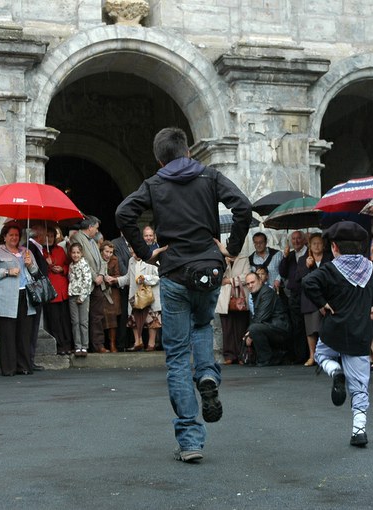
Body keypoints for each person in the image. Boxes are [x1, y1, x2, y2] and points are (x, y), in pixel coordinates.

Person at [116, 126, 252, 463]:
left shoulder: (155, 183)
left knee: (177, 355)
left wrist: (147, 252)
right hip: (209, 267)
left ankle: (190, 440)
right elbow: (243, 207)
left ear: (160, 160)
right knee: (203, 325)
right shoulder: (209, 175)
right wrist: (232, 248)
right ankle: (206, 374)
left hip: (175, 269)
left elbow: (123, 213)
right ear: (188, 151)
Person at [302, 221, 373, 447]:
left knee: (321, 356)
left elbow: (308, 282)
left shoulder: (329, 269)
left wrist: (323, 303)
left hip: (333, 330)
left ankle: (336, 371)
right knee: (360, 385)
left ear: (334, 247)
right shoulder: (372, 270)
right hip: (360, 333)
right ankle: (359, 431)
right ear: (361, 247)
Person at [0, 225, 39, 376]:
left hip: (25, 295)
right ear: (4, 236)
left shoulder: (26, 251)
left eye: (16, 235)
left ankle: (24, 366)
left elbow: (35, 272)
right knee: (8, 333)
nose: (14, 238)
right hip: (6, 297)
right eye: (11, 235)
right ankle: (9, 368)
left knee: (24, 333)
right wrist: (7, 272)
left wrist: (30, 264)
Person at [70, 216, 109, 353]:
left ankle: (98, 344)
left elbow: (101, 260)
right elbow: (82, 260)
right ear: (90, 227)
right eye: (96, 228)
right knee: (81, 319)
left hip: (98, 283)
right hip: (84, 284)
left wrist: (101, 275)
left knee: (98, 315)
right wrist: (94, 277)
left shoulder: (93, 240)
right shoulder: (77, 238)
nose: (97, 231)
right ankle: (82, 346)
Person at [115, 247, 162, 351]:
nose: (134, 255)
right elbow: (128, 278)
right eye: (132, 253)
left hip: (150, 294)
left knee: (152, 319)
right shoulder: (131, 261)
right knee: (134, 319)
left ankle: (151, 343)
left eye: (136, 253)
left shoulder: (151, 258)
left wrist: (145, 279)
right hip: (135, 295)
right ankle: (138, 342)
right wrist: (116, 280)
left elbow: (158, 277)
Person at [243, 271, 290, 366]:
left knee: (254, 329)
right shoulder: (257, 293)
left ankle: (265, 359)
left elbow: (261, 317)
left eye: (252, 282)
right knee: (252, 330)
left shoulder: (266, 292)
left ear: (260, 281)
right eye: (248, 284)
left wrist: (249, 334)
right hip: (273, 327)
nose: (250, 285)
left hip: (280, 328)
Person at [297, 233, 328, 366]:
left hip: (326, 297)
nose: (316, 246)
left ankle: (325, 355)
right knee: (310, 329)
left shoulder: (329, 258)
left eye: (319, 243)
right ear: (309, 245)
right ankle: (312, 355)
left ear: (324, 245)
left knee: (325, 328)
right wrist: (307, 266)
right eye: (314, 243)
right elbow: (300, 278)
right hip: (309, 298)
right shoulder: (303, 259)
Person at [278, 230, 308, 363]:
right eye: (293, 239)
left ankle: (311, 354)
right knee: (296, 325)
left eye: (299, 238)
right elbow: (282, 273)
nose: (296, 241)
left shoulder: (309, 253)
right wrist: (284, 257)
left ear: (304, 240)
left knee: (309, 325)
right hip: (294, 295)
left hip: (307, 293)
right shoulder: (289, 255)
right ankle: (300, 356)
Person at [215, 255, 250, 364]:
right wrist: (226, 263)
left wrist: (230, 280)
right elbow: (218, 276)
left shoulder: (244, 258)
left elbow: (246, 277)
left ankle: (241, 355)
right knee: (227, 328)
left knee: (241, 327)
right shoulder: (221, 259)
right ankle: (229, 355)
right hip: (225, 297)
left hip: (239, 298)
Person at [44, 226, 73, 355]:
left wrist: (63, 269)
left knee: (65, 319)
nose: (50, 239)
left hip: (63, 289)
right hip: (51, 290)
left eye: (52, 236)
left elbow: (67, 264)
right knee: (54, 320)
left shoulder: (60, 250)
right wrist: (47, 264)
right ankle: (60, 345)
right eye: (47, 236)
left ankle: (68, 344)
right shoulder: (41, 251)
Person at [25, 224, 49, 371]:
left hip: (38, 290)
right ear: (39, 233)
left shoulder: (37, 247)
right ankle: (28, 360)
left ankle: (30, 359)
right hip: (34, 290)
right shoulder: (30, 247)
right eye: (45, 231)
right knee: (31, 327)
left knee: (34, 327)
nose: (47, 235)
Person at [67, 242, 93, 357]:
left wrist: (82, 297)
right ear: (70, 253)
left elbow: (87, 281)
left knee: (83, 322)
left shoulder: (84, 264)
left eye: (78, 252)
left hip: (83, 296)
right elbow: (70, 279)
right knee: (75, 322)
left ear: (81, 253)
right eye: (73, 252)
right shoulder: (71, 265)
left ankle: (84, 346)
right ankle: (77, 346)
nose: (75, 255)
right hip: (72, 295)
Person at [100, 241, 121, 352]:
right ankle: (101, 344)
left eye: (111, 252)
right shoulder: (97, 259)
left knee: (112, 318)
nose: (108, 254)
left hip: (112, 292)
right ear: (102, 251)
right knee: (100, 318)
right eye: (106, 251)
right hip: (100, 291)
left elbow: (118, 274)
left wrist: (112, 279)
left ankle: (112, 343)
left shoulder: (115, 260)